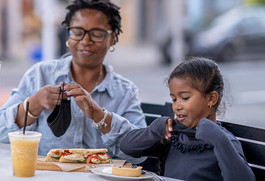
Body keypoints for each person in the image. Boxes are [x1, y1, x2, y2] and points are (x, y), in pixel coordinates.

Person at [0, 0, 146, 163]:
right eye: (77, 32)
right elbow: (1, 132)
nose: (85, 41)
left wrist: (99, 115)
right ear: (68, 36)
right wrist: (33, 104)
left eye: (97, 34)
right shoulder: (40, 75)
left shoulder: (125, 91)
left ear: (112, 38)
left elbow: (140, 152)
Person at [120, 57, 255, 180]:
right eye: (174, 99)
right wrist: (154, 130)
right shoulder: (174, 136)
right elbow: (127, 147)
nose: (177, 106)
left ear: (211, 98)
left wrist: (219, 139)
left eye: (185, 98)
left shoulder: (223, 140)